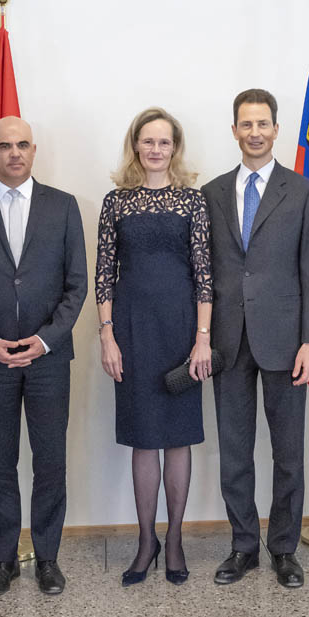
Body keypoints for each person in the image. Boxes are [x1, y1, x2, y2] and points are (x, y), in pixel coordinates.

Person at [0, 116, 87, 597]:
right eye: (4, 146)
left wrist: (44, 340)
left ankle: (48, 559)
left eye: (22, 144)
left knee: (50, 462)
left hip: (48, 357)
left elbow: (76, 286)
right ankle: (4, 560)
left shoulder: (64, 206)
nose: (14, 153)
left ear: (34, 150)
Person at [201, 89, 309, 588]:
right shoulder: (210, 193)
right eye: (245, 124)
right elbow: (205, 272)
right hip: (228, 340)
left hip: (285, 339)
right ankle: (243, 545)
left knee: (288, 451)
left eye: (263, 124)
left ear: (276, 130)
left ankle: (284, 549)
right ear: (233, 130)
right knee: (234, 450)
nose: (254, 132)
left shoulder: (302, 192)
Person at [96, 107, 212, 586]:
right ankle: (147, 540)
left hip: (182, 328)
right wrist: (107, 335)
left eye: (164, 142)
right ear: (135, 145)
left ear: (175, 148)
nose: (156, 149)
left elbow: (206, 274)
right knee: (144, 438)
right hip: (131, 329)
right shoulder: (116, 201)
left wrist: (203, 339)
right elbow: (104, 272)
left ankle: (177, 538)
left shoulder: (193, 200)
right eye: (148, 141)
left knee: (179, 437)